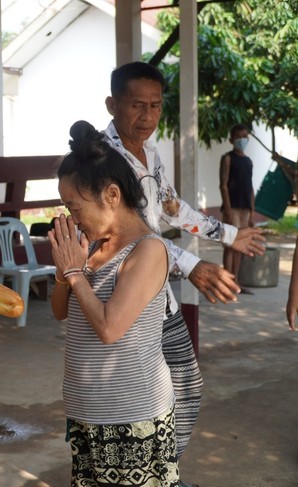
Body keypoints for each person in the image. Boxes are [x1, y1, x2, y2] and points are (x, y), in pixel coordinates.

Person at [102, 62, 265, 477]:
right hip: (120, 297)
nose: (148, 117)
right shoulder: (101, 161)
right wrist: (192, 265)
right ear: (112, 104)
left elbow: (172, 210)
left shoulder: (150, 153)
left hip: (158, 295)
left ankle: (160, 472)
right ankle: (142, 475)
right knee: (136, 398)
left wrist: (230, 235)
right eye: (137, 105)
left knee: (184, 387)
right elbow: (128, 236)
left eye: (156, 106)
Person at [49, 120, 178, 486]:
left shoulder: (148, 250)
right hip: (88, 411)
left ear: (111, 195)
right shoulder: (90, 247)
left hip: (132, 417)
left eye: (74, 206)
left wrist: (74, 273)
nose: (71, 216)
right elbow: (61, 311)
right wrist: (64, 270)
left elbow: (110, 328)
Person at [219, 124, 255, 285]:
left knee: (240, 246)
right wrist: (227, 211)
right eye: (239, 137)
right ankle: (227, 282)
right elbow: (223, 185)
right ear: (231, 140)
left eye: (245, 136)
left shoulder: (248, 161)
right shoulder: (227, 158)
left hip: (245, 209)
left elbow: (250, 187)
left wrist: (252, 212)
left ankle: (236, 282)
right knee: (229, 245)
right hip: (232, 208)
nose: (242, 140)